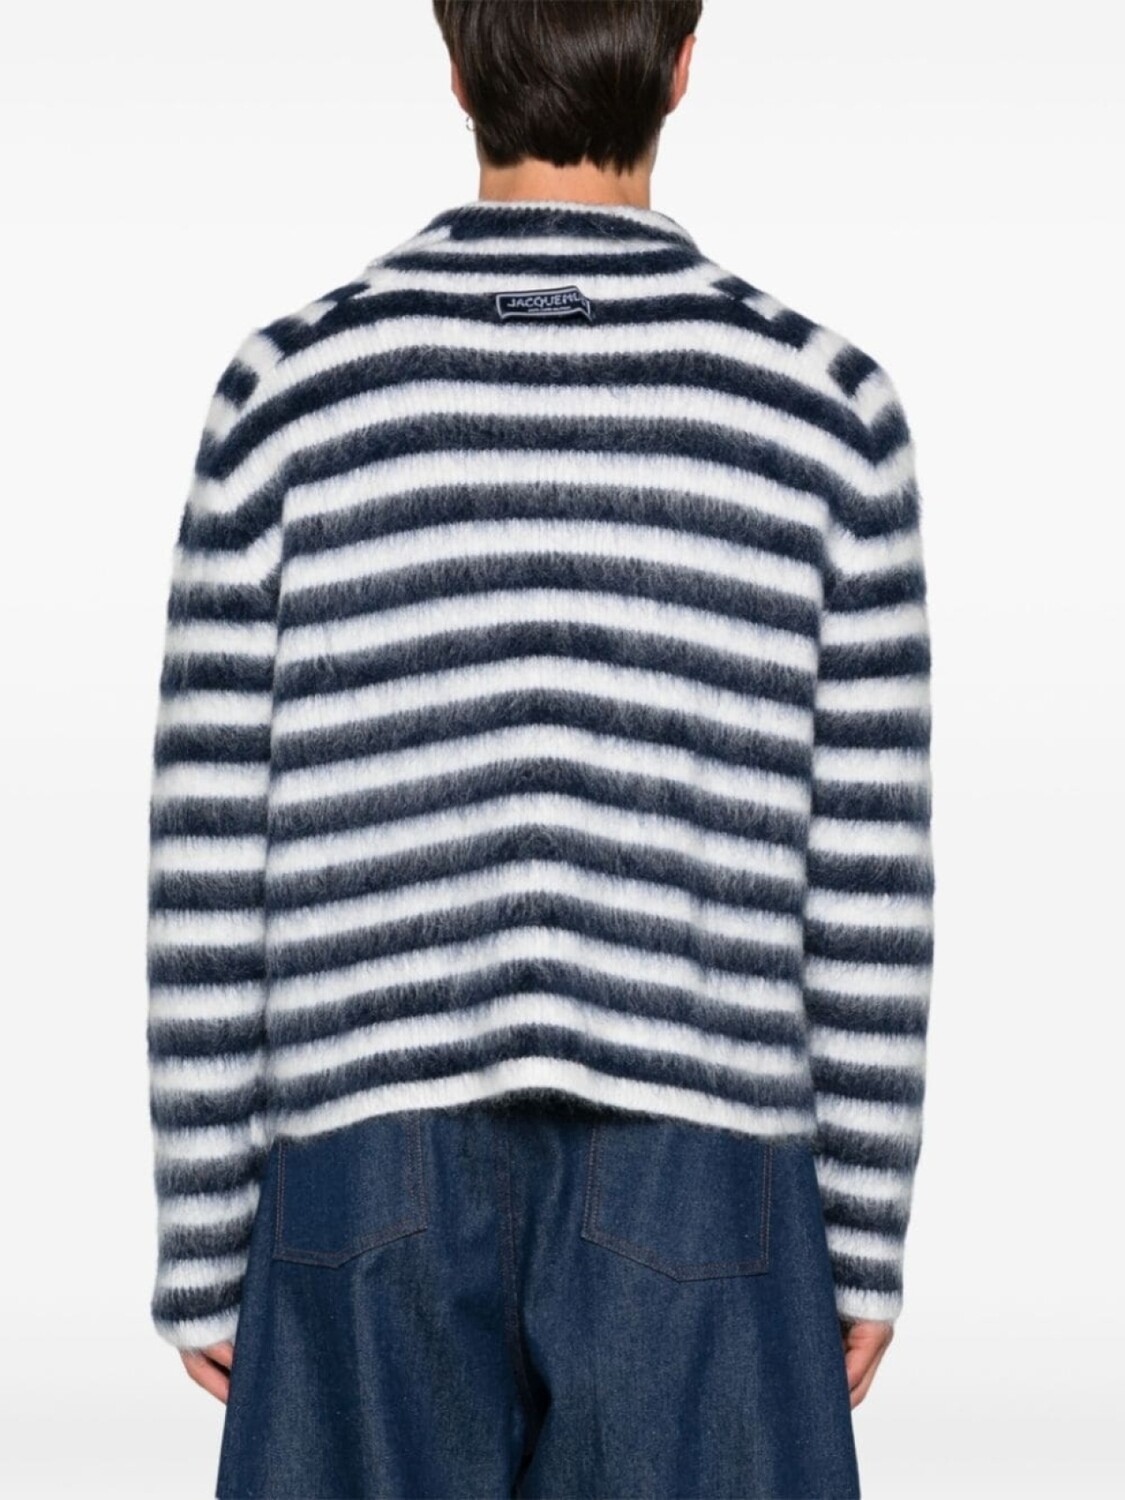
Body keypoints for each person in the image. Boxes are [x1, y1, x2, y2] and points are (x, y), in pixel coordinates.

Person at [145, 2, 935, 1495]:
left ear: (453, 65)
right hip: (709, 1173)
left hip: (361, 1165)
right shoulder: (827, 410)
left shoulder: (289, 391)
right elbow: (866, 873)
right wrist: (861, 1230)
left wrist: (200, 1228)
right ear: (684, 65)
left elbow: (209, 841)